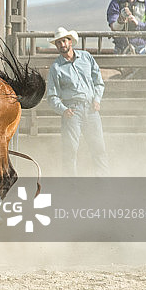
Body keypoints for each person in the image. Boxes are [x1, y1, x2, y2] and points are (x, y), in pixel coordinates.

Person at [46, 26, 110, 177]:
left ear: (70, 41)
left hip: (91, 108)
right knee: (70, 151)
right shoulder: (56, 68)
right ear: (56, 46)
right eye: (59, 43)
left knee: (98, 148)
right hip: (72, 111)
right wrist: (63, 110)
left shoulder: (86, 57)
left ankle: (104, 182)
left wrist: (97, 99)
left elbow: (98, 81)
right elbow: (52, 96)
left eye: (64, 41)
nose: (62, 45)